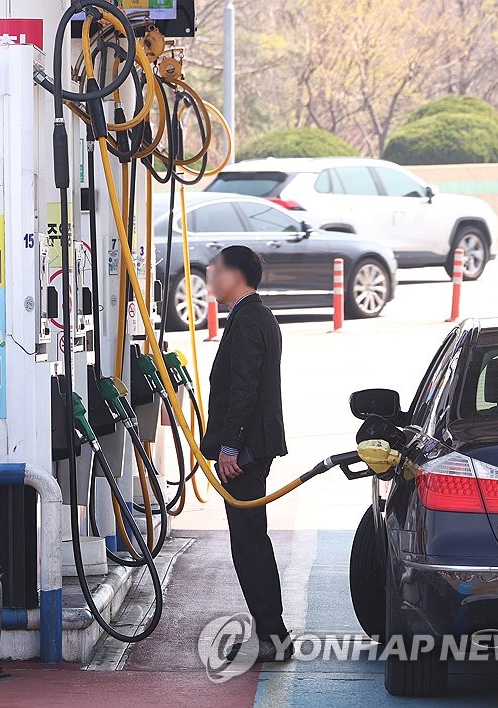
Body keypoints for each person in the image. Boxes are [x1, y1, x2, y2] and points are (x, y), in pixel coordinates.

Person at [199, 245, 293, 662]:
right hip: (248, 446)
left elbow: (245, 388)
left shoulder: (250, 319)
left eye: (215, 270)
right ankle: (271, 634)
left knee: (250, 543)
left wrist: (231, 446)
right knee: (250, 540)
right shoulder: (253, 316)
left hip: (246, 452)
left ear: (235, 275)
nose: (209, 278)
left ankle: (273, 637)